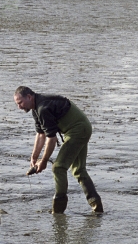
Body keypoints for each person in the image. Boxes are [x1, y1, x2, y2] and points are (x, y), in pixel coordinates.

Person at [14, 86, 103, 215]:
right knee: (78, 169)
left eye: (20, 103)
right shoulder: (36, 110)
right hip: (81, 128)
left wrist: (43, 161)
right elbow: (40, 135)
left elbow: (51, 138)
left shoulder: (43, 108)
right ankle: (96, 205)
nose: (19, 107)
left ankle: (58, 209)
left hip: (77, 131)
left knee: (58, 167)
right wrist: (34, 157)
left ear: (29, 97)